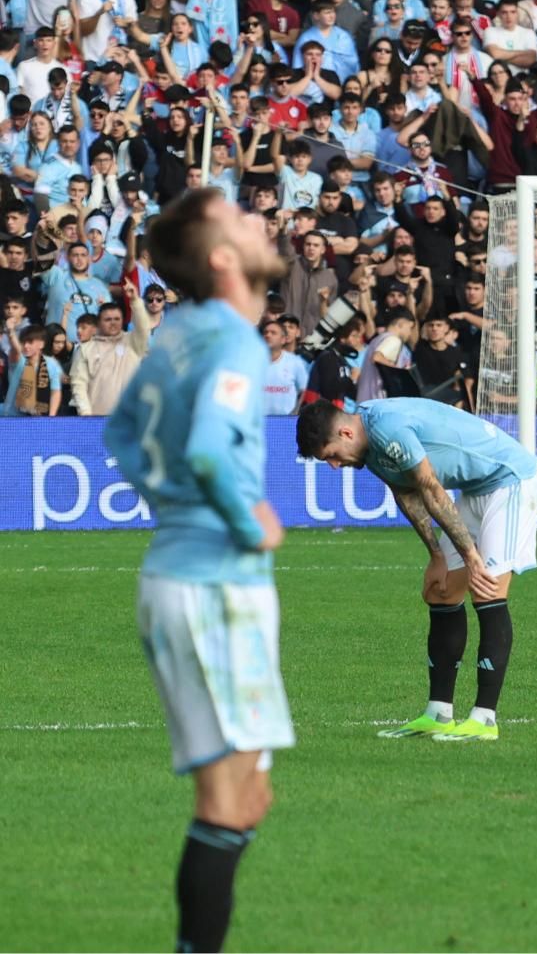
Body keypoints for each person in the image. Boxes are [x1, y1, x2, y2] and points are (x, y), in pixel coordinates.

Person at [102, 189, 293, 952]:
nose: (260, 223)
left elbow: (120, 432)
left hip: (185, 573)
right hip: (214, 581)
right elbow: (212, 450)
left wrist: (177, 503)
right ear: (222, 258)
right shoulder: (234, 344)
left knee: (250, 796)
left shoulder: (180, 335)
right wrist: (242, 515)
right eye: (243, 220)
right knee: (225, 801)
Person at [296, 397, 537, 742]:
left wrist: (472, 559)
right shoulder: (367, 442)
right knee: (440, 589)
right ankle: (439, 713)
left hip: (512, 480)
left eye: (332, 456)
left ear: (344, 432)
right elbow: (405, 490)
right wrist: (436, 555)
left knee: (487, 585)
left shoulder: (387, 428)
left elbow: (430, 486)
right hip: (478, 489)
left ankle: (485, 718)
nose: (335, 466)